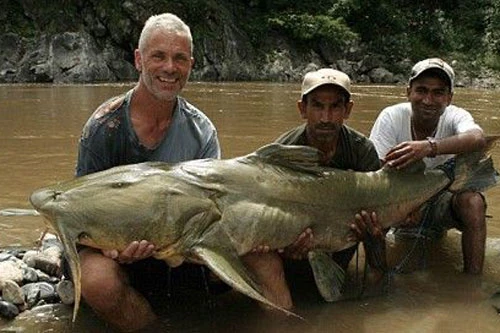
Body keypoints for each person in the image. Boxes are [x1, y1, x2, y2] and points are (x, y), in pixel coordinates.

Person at [75, 13, 221, 331]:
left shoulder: (202, 132)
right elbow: (81, 217)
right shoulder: (103, 127)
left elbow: (211, 212)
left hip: (181, 247)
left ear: (190, 65)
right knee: (98, 281)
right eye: (159, 56)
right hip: (114, 250)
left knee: (256, 258)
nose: (170, 67)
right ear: (139, 60)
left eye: (179, 58)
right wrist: (111, 247)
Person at [242, 68, 387, 310]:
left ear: (348, 110)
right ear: (302, 108)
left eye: (335, 107)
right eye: (318, 106)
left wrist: (374, 233)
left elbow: (381, 207)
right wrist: (284, 245)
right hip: (296, 242)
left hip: (345, 235)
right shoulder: (282, 151)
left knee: (378, 263)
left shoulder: (362, 151)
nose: (326, 118)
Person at [369, 58, 487, 274]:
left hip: (442, 197)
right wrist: (404, 207)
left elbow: (478, 138)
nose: (428, 100)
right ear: (408, 92)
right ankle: (377, 278)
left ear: (449, 98)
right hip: (398, 197)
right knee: (371, 213)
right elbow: (376, 174)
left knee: (474, 203)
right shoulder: (391, 117)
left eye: (438, 93)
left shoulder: (455, 116)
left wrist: (429, 147)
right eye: (421, 90)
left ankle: (473, 284)